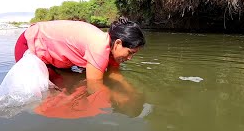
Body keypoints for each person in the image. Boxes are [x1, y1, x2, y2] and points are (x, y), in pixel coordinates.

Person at [14, 17, 146, 95]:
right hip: (29, 46)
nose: (129, 58)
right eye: (130, 53)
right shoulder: (99, 46)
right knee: (54, 92)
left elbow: (115, 74)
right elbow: (95, 87)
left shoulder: (112, 47)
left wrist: (132, 92)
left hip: (55, 56)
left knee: (72, 82)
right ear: (118, 43)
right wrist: (118, 97)